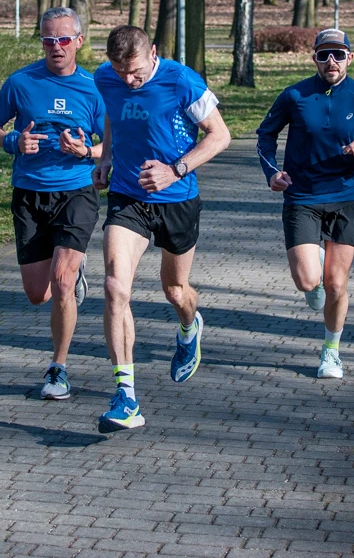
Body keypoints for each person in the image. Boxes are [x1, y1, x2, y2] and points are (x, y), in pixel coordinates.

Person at [91, 25, 231, 432]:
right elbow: (113, 115)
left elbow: (220, 135)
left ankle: (190, 326)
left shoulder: (181, 80)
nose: (128, 81)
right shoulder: (107, 77)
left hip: (177, 198)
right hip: (129, 197)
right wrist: (107, 159)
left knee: (175, 291)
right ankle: (126, 397)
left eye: (134, 72)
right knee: (116, 287)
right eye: (121, 73)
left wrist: (175, 170)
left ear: (153, 52)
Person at [0, 7, 104, 401]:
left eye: (64, 39)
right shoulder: (21, 82)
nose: (56, 47)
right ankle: (69, 269)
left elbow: (113, 146)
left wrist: (87, 151)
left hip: (77, 191)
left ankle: (58, 368)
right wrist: (12, 141)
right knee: (39, 293)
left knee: (62, 282)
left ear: (79, 41)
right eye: (48, 40)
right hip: (29, 193)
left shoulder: (96, 87)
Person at [256, 28, 354, 379]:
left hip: (346, 196)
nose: (331, 61)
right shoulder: (295, 95)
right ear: (313, 57)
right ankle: (312, 267)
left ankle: (331, 353)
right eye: (323, 55)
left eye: (339, 54)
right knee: (306, 281)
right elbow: (264, 136)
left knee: (336, 284)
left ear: (350, 57)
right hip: (301, 195)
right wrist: (271, 172)